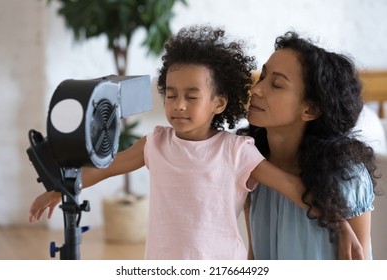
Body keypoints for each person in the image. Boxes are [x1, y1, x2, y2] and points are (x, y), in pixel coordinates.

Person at [29, 25, 360, 260]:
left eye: (191, 95)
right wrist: (62, 189)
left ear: (218, 103)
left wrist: (340, 224)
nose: (179, 105)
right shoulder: (154, 143)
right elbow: (105, 168)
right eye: (171, 95)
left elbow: (293, 188)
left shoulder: (237, 151)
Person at [242, 31, 377, 260]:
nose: (256, 89)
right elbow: (254, 258)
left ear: (310, 109)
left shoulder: (348, 177)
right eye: (262, 77)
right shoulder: (251, 167)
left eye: (276, 84)